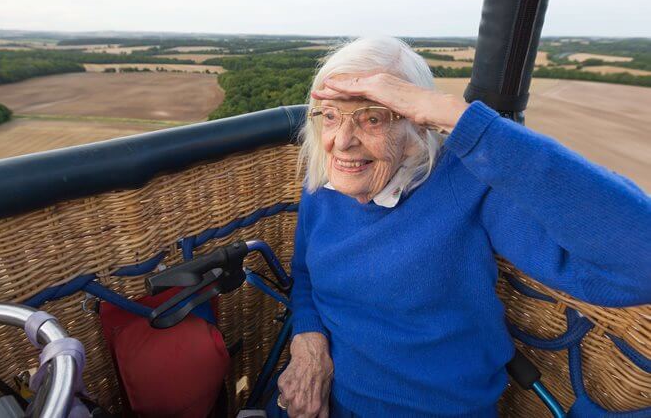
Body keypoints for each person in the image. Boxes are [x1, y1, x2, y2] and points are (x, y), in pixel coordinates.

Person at [273, 37, 651, 418]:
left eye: (373, 117)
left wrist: (462, 119)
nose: (342, 142)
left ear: (417, 126)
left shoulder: (465, 183)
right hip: (330, 402)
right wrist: (309, 338)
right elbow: (305, 274)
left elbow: (641, 265)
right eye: (331, 116)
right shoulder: (324, 183)